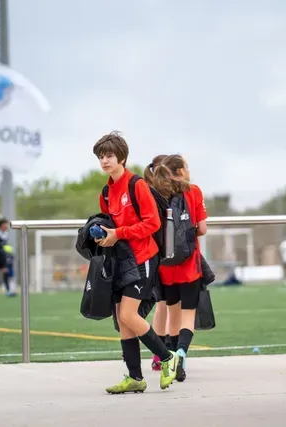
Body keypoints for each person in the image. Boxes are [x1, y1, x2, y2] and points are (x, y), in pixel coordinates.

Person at [94, 132, 179, 394]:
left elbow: (152, 223)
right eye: (100, 157)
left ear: (122, 158)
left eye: (108, 156)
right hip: (122, 260)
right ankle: (135, 377)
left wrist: (118, 234)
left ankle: (168, 357)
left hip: (143, 258)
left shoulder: (137, 185)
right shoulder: (107, 192)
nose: (104, 161)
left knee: (129, 315)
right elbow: (111, 226)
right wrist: (101, 235)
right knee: (122, 320)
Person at [151, 154, 208, 382]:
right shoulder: (193, 191)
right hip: (189, 264)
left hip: (166, 266)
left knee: (171, 313)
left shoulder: (157, 193)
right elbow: (202, 228)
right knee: (188, 315)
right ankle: (182, 353)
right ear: (181, 171)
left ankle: (170, 357)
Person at [144, 154, 173, 372]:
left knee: (161, 306)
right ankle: (169, 354)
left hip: (154, 256)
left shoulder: (147, 190)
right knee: (171, 307)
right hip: (166, 255)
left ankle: (158, 355)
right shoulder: (168, 194)